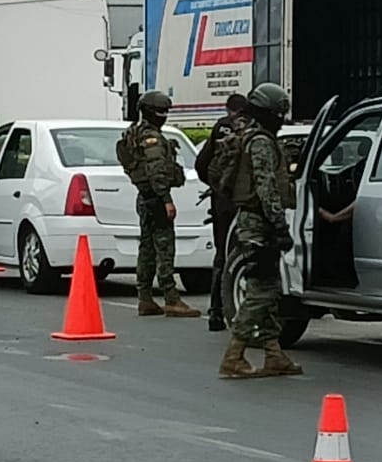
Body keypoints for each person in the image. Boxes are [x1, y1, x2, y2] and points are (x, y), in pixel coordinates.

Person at [219, 83, 302, 379]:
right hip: (259, 224)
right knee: (263, 290)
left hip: (253, 222)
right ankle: (234, 354)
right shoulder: (261, 143)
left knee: (267, 290)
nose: (281, 119)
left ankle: (273, 354)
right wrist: (279, 226)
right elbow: (266, 187)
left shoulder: (253, 137)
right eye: (278, 114)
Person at [116, 91, 200, 318]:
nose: (164, 116)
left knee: (147, 248)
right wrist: (166, 199)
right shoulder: (151, 137)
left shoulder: (134, 132)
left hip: (144, 196)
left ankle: (145, 297)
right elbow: (155, 170)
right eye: (161, 112)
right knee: (164, 248)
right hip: (155, 198)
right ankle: (171, 298)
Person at [195, 92, 250, 331]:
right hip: (248, 201)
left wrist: (217, 188)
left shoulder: (221, 128)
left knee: (222, 254)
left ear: (228, 109)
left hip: (223, 202)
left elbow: (201, 165)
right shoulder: (255, 129)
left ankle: (216, 312)